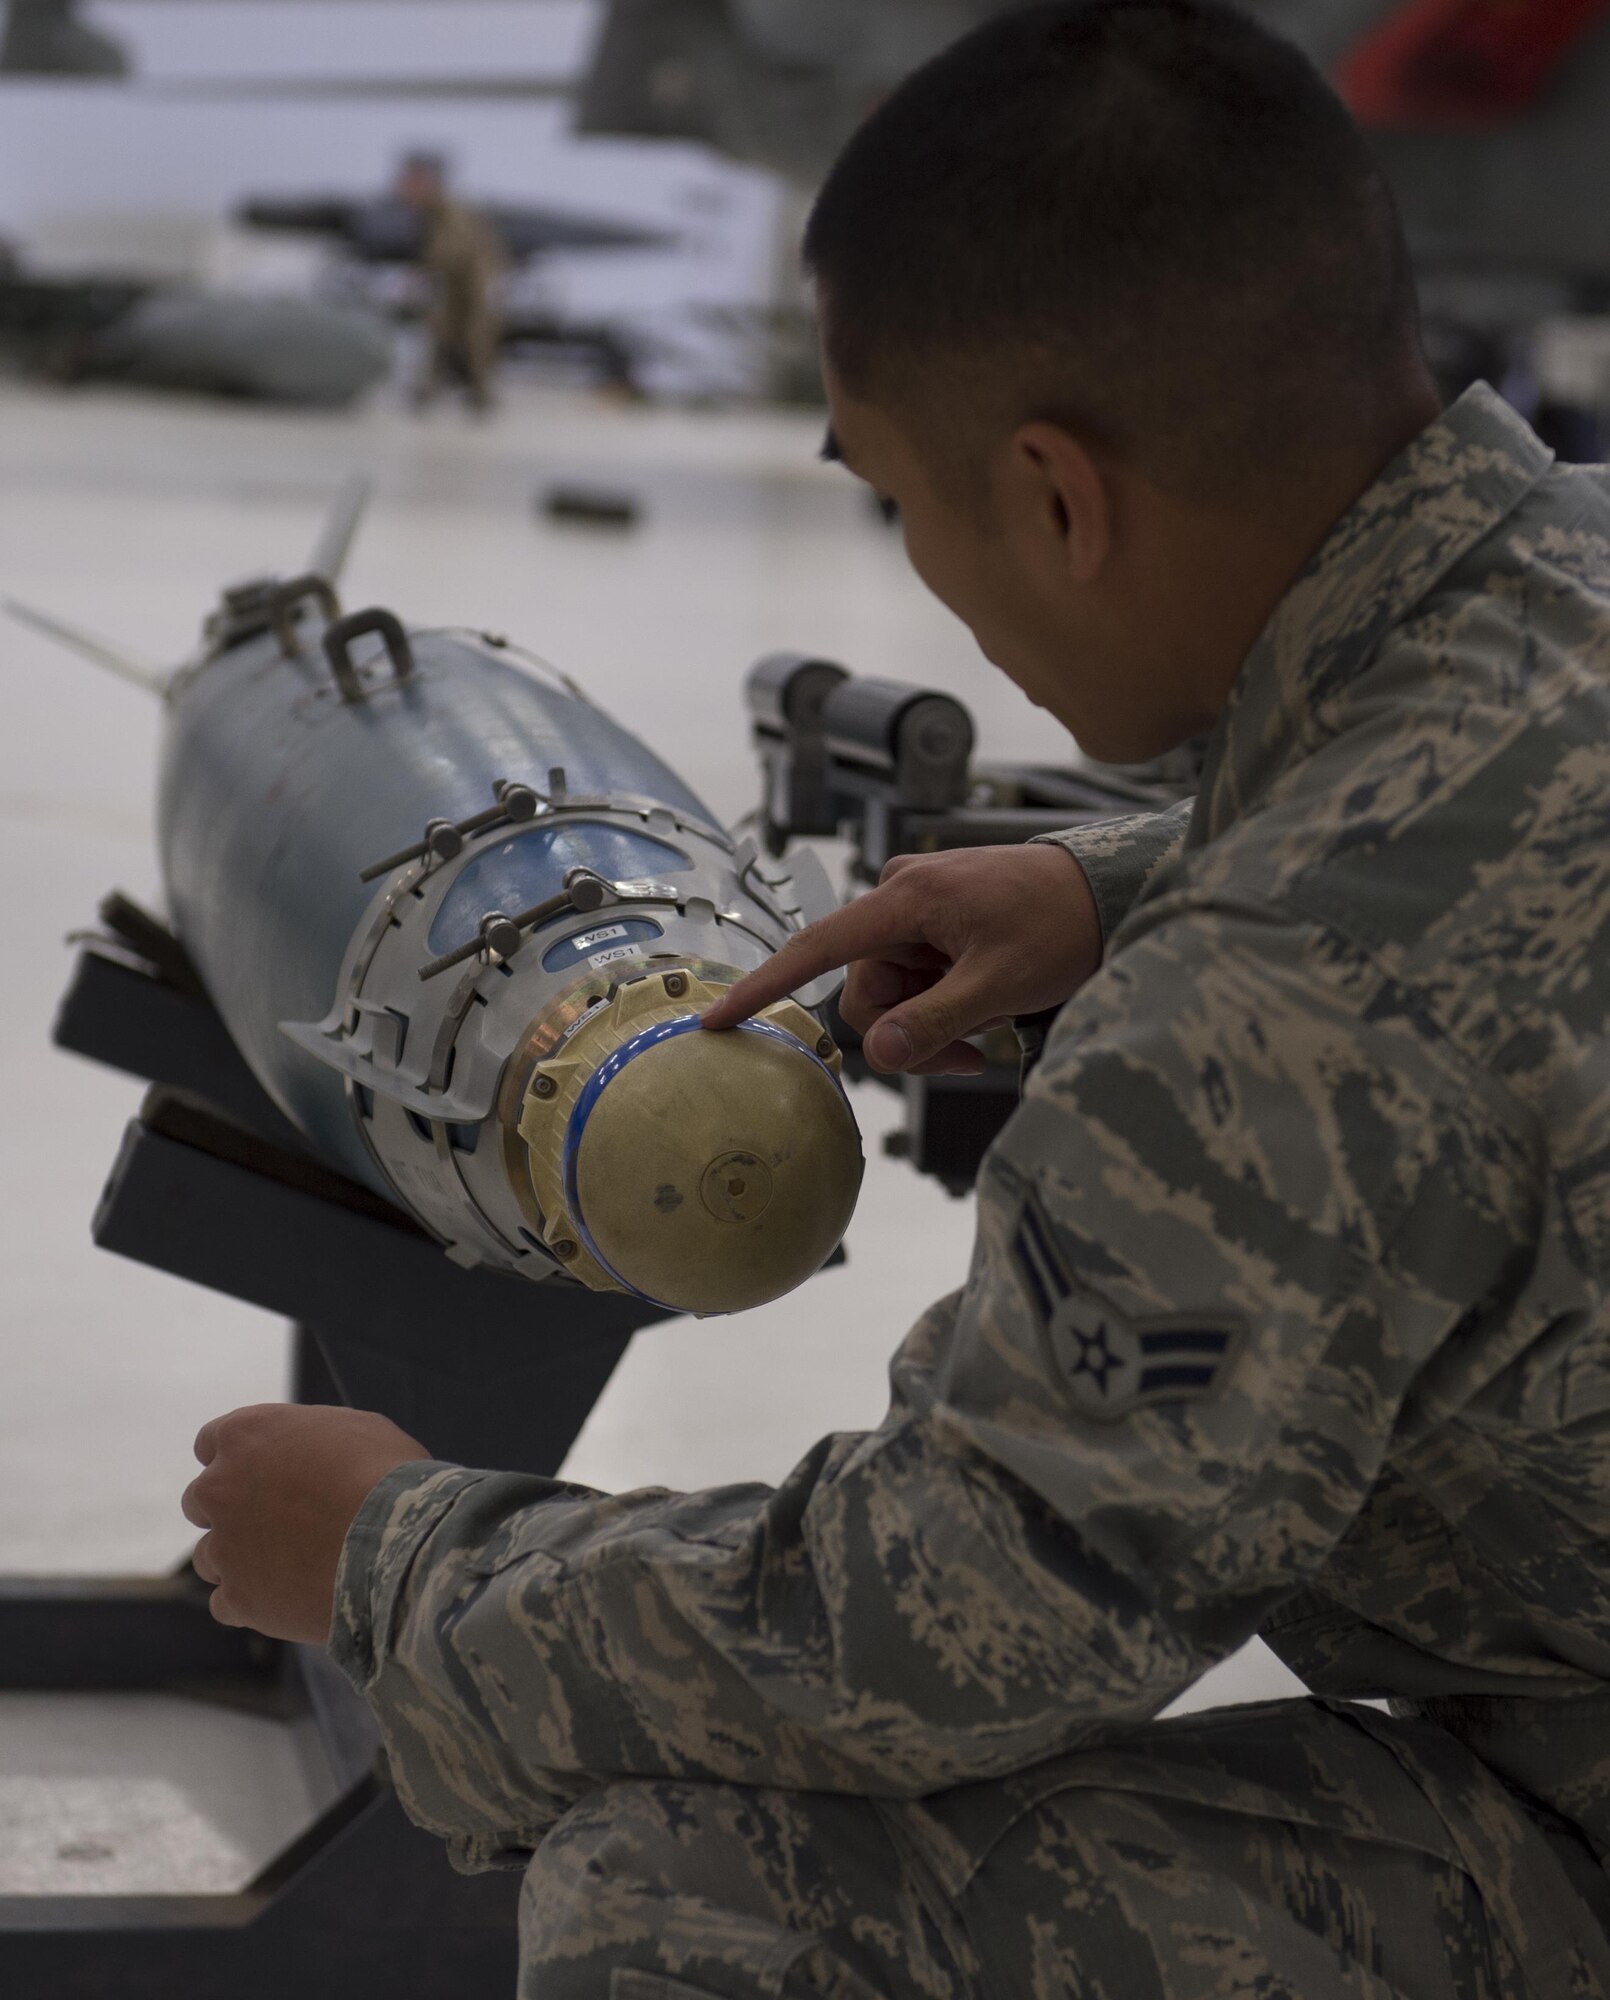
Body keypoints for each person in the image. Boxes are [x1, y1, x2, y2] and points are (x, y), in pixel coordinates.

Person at [180, 5, 1610, 1992]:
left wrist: (399, 1559)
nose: (924, 568)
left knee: (694, 1886)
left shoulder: (1271, 997)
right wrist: (1116, 878)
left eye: (898, 499)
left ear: (1053, 495)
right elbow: (1487, 841)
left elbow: (958, 1611)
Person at [395, 151, 504, 414]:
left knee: (476, 334)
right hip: (457, 279)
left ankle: (480, 391)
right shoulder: (434, 210)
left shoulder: (450, 209)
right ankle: (434, 388)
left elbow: (455, 247)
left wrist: (426, 268)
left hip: (475, 278)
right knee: (441, 330)